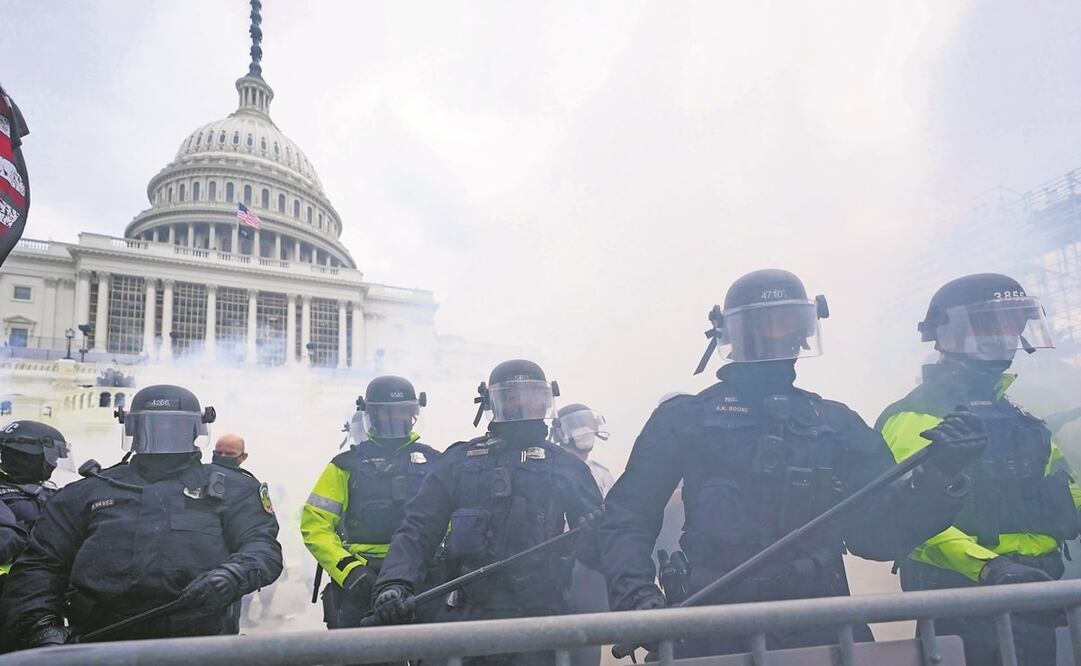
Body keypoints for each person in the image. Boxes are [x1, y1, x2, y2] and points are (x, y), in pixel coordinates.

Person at [600, 269, 987, 658]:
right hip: (713, 629)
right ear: (731, 334)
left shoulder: (836, 424)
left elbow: (877, 537)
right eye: (762, 324)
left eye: (787, 322)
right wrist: (638, 599)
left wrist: (940, 476)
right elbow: (627, 516)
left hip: (822, 626)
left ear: (805, 329)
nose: (775, 336)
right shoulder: (686, 418)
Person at [876, 273, 1081, 665]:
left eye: (1013, 322)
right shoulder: (914, 416)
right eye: (989, 324)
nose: (1004, 335)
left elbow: (1063, 492)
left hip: (1036, 599)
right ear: (947, 334)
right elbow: (909, 520)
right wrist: (991, 569)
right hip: (964, 606)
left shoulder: (1022, 419)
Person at [1, 384, 282, 648]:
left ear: (195, 429)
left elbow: (263, 547)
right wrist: (42, 628)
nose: (164, 435)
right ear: (133, 427)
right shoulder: (84, 493)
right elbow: (40, 567)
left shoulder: (234, 490)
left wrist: (234, 574)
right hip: (98, 644)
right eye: (154, 426)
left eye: (174, 427)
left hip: (200, 645)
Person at [372, 359, 603, 666]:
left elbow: (599, 553)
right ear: (492, 402)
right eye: (511, 396)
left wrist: (596, 533)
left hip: (539, 623)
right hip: (467, 618)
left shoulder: (566, 466)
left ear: (545, 400)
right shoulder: (459, 461)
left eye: (531, 395)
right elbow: (418, 528)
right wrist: (395, 583)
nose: (521, 404)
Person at [302, 375, 442, 631]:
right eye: (386, 412)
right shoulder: (344, 466)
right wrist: (350, 572)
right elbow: (315, 526)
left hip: (423, 578)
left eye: (401, 411)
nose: (394, 418)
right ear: (371, 415)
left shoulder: (437, 462)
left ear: (413, 414)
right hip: (361, 581)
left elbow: (453, 522)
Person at [552, 404, 614, 666]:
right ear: (559, 432)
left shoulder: (603, 473)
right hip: (557, 564)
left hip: (591, 566)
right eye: (576, 424)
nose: (583, 430)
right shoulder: (550, 468)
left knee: (588, 639)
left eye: (586, 422)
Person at [0, 421, 70, 631]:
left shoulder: (51, 493)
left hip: (42, 597)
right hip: (10, 594)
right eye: (53, 457)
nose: (55, 463)